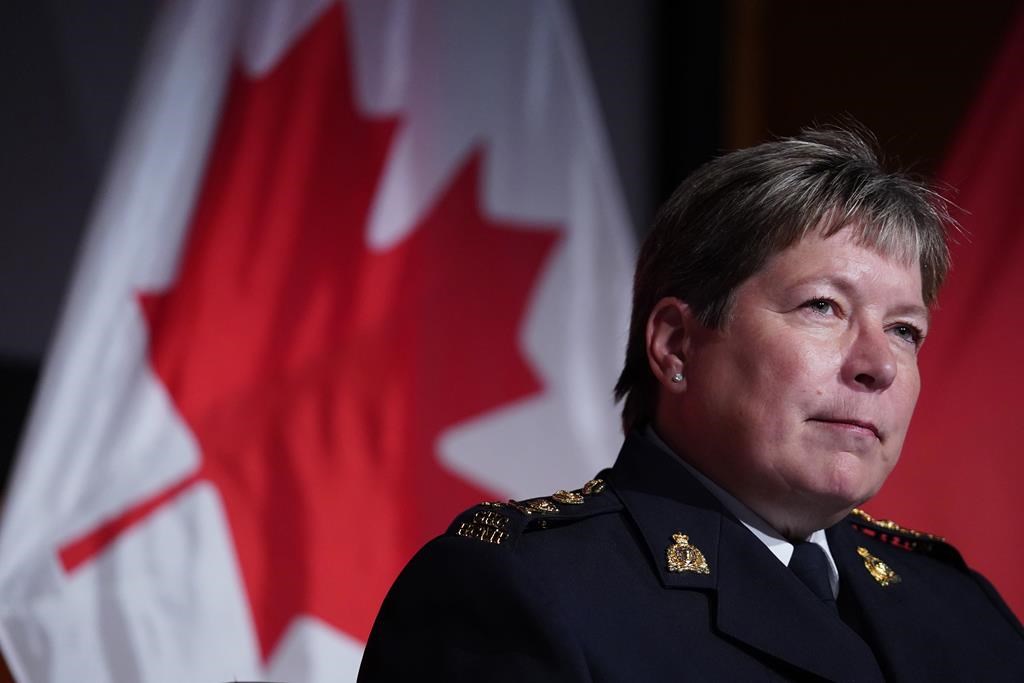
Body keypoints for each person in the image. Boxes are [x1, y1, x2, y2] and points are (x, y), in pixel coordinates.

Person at [358, 125, 1024, 681]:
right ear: (676, 346)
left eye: (905, 329)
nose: (879, 364)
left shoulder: (964, 610)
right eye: (824, 307)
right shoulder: (520, 593)